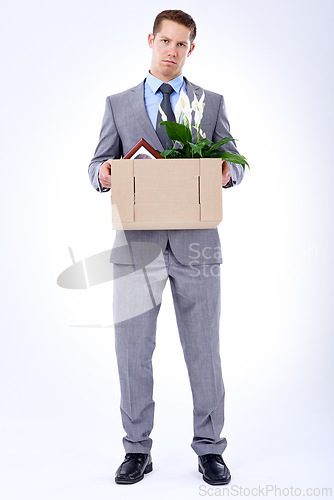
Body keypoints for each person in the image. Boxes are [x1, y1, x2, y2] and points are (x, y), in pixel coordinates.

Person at [88, 9, 244, 486]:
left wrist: (226, 172)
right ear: (150, 41)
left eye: (182, 44)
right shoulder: (118, 104)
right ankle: (137, 449)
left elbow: (235, 158)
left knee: (203, 351)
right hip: (137, 245)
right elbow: (96, 163)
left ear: (190, 49)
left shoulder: (210, 103)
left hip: (197, 246)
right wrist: (104, 174)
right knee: (132, 351)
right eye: (165, 42)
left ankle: (210, 449)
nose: (172, 51)